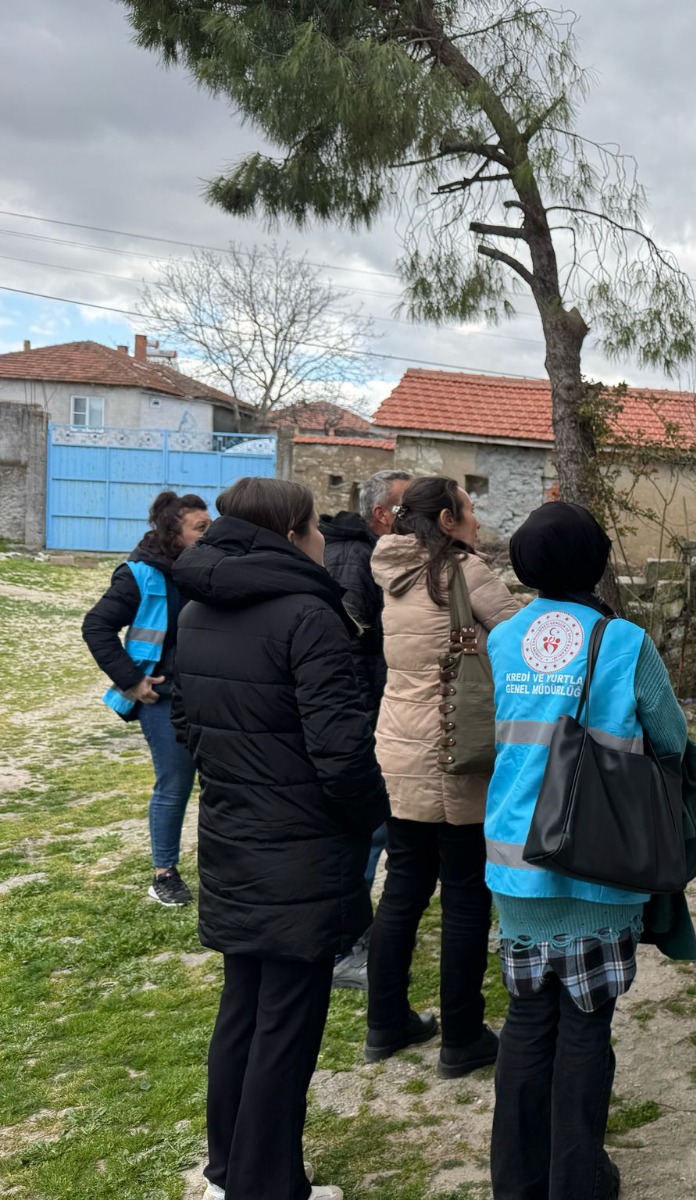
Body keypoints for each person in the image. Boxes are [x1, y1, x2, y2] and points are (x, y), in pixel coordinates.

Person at [172, 476, 387, 1200]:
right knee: (286, 1024)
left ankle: (230, 1171)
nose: (325, 536)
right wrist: (364, 822)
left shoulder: (200, 608)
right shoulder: (308, 613)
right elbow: (342, 749)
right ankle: (267, 1186)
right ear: (293, 533)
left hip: (235, 827)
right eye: (316, 525)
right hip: (300, 842)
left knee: (243, 1010)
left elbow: (186, 724)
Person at [483, 501, 689, 1200]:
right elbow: (670, 735)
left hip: (515, 859)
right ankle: (578, 1180)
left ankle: (516, 1180)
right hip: (598, 864)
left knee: (525, 1023)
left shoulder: (503, 639)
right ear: (597, 563)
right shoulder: (625, 643)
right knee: (585, 1029)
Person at [364, 476, 521, 1077]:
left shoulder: (393, 573)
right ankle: (461, 1036)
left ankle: (386, 1022)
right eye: (470, 510)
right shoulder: (462, 570)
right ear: (449, 520)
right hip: (456, 750)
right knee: (463, 896)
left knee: (402, 888)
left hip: (400, 747)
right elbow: (517, 635)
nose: (477, 521)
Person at [82, 490, 211, 906]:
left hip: (212, 695)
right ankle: (164, 874)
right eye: (201, 529)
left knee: (220, 784)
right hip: (165, 698)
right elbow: (96, 627)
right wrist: (133, 681)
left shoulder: (208, 567)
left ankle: (222, 865)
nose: (209, 535)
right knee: (175, 785)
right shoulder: (138, 574)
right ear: (174, 533)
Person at [321, 468, 412, 991]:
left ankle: (362, 934)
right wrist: (363, 724)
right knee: (363, 835)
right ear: (381, 516)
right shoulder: (354, 559)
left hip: (368, 715)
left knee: (373, 833)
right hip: (362, 719)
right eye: (405, 509)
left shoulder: (361, 552)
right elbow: (347, 652)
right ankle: (344, 947)